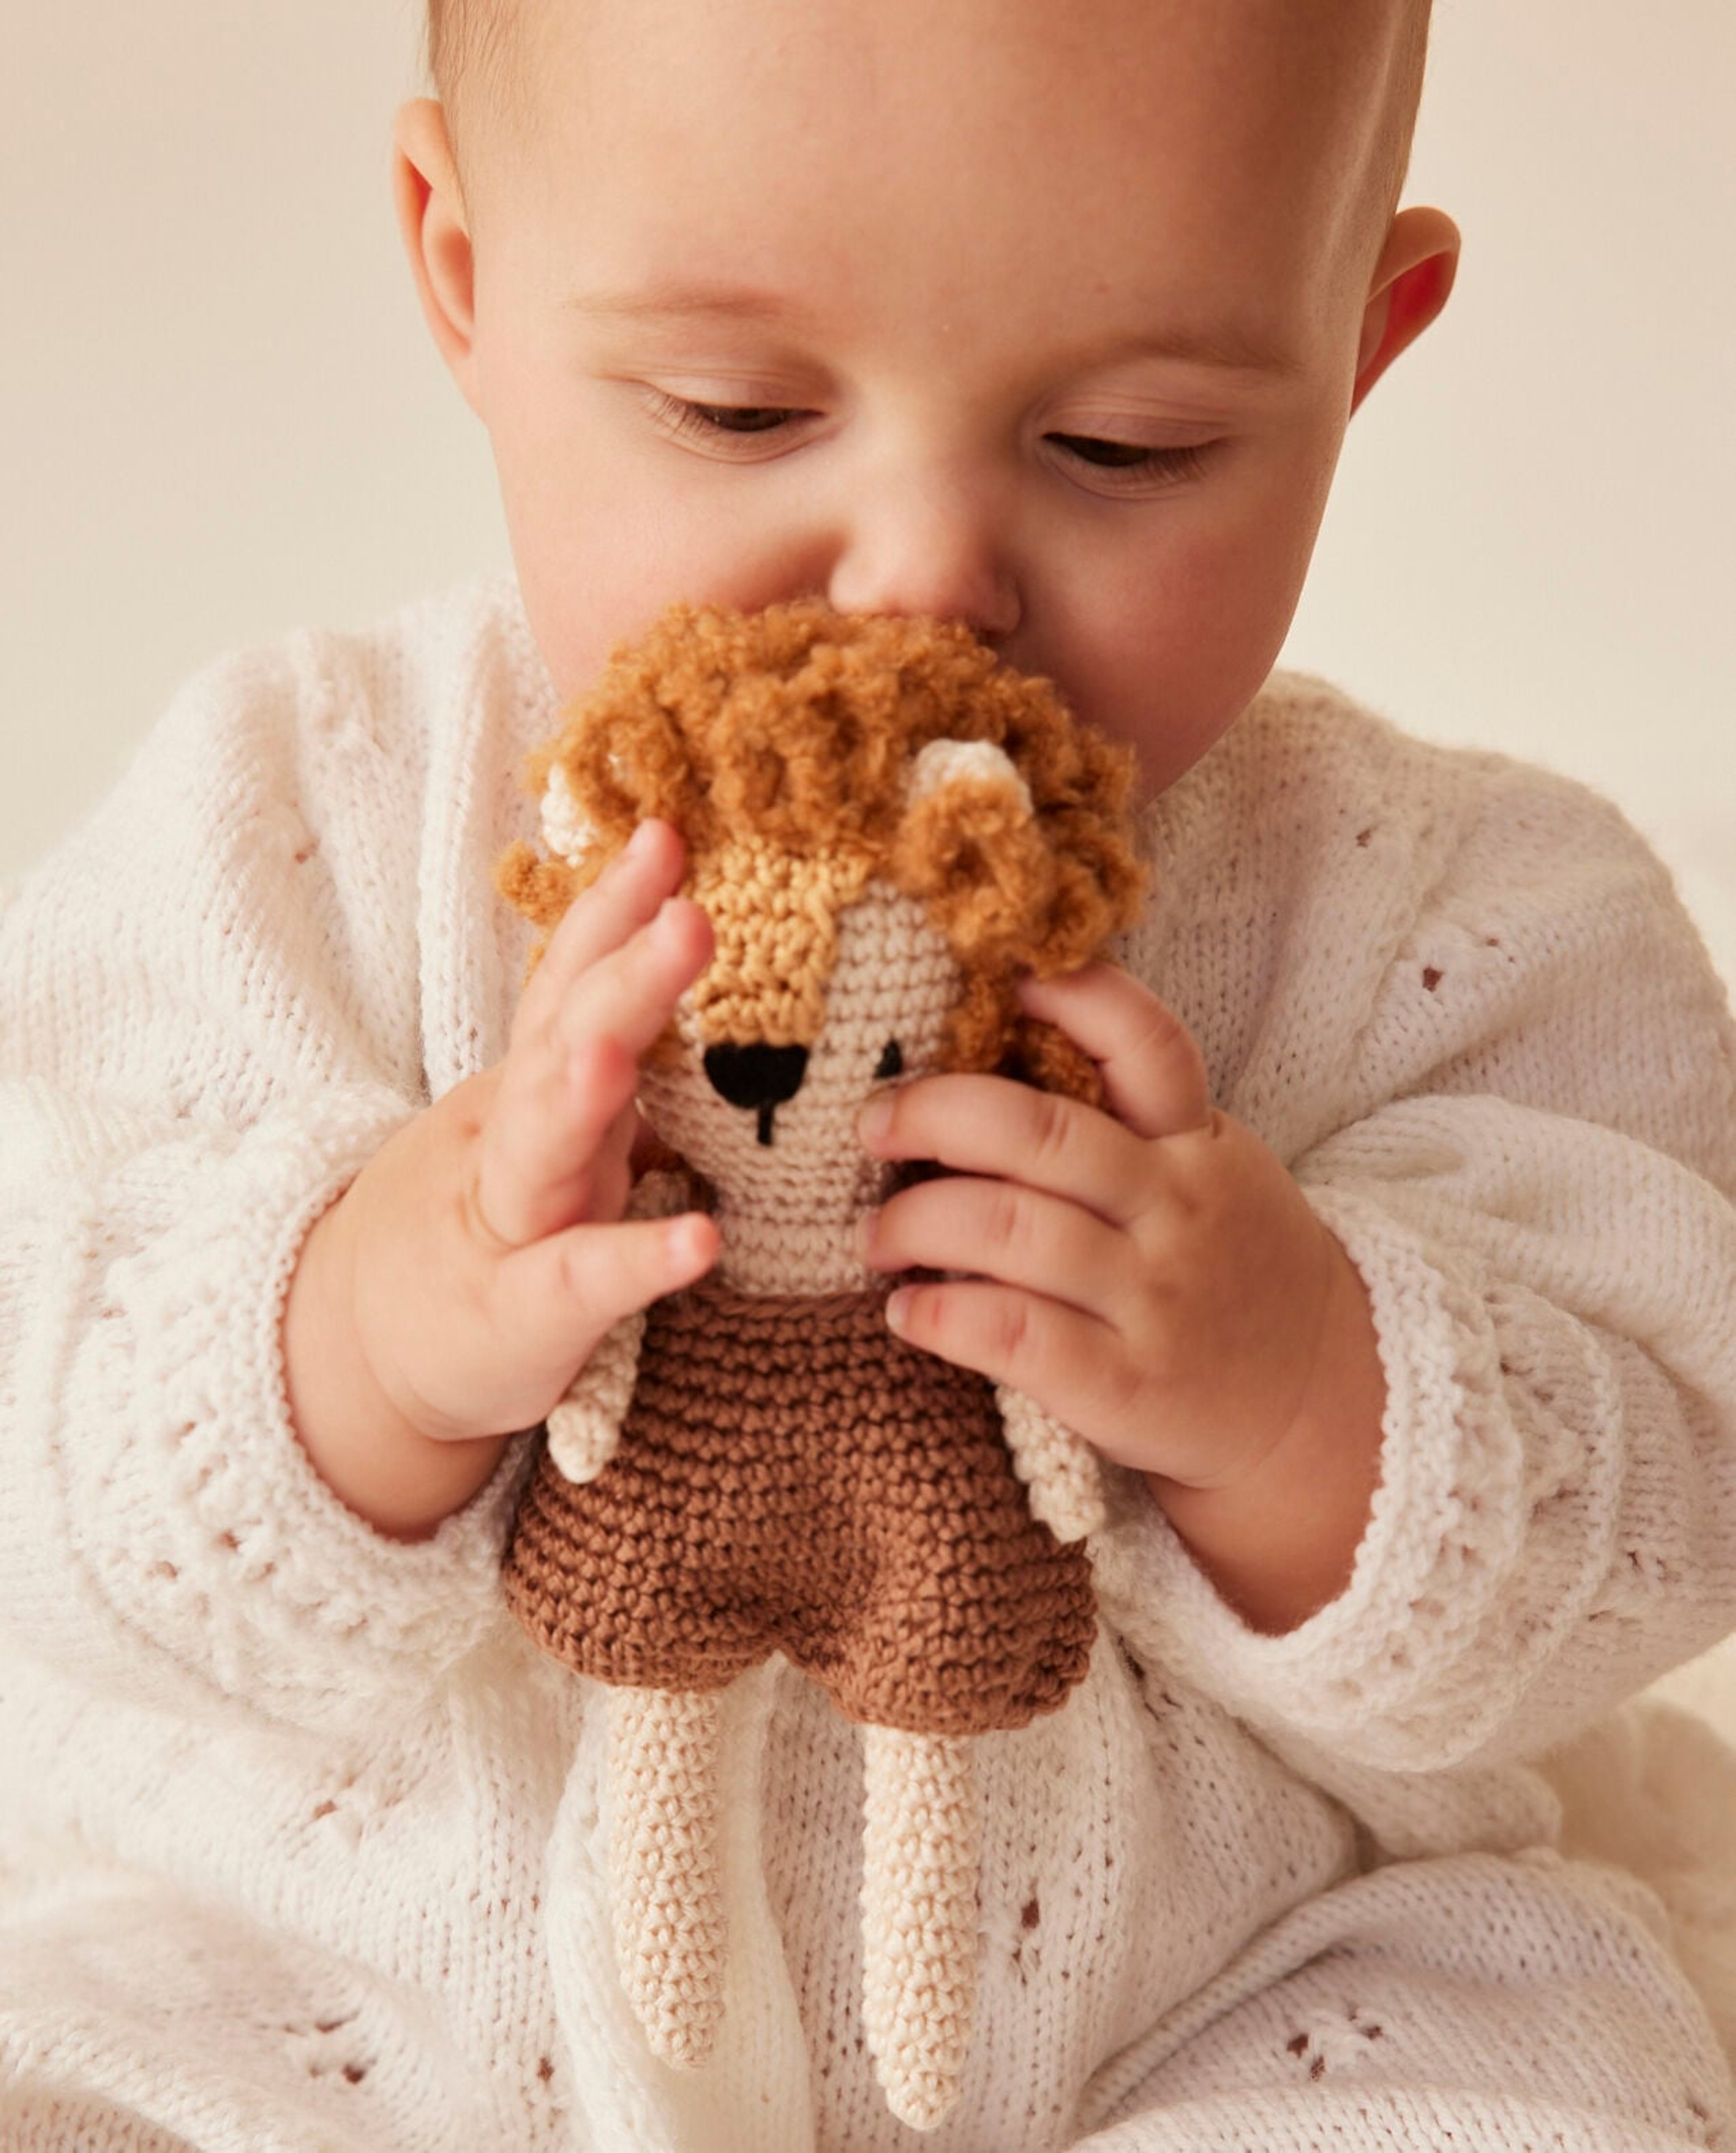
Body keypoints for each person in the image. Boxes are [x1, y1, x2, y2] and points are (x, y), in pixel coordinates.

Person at [2, 0, 1733, 2146]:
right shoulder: (302, 816)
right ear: (468, 271)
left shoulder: (1463, 910)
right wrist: (360, 1325)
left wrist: (1301, 1386)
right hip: (343, 1998)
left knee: (1552, 2087)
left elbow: (1670, 1503)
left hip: (1216, 2017)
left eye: (1125, 444)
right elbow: (42, 1461)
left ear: (1360, 346)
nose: (924, 572)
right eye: (740, 410)